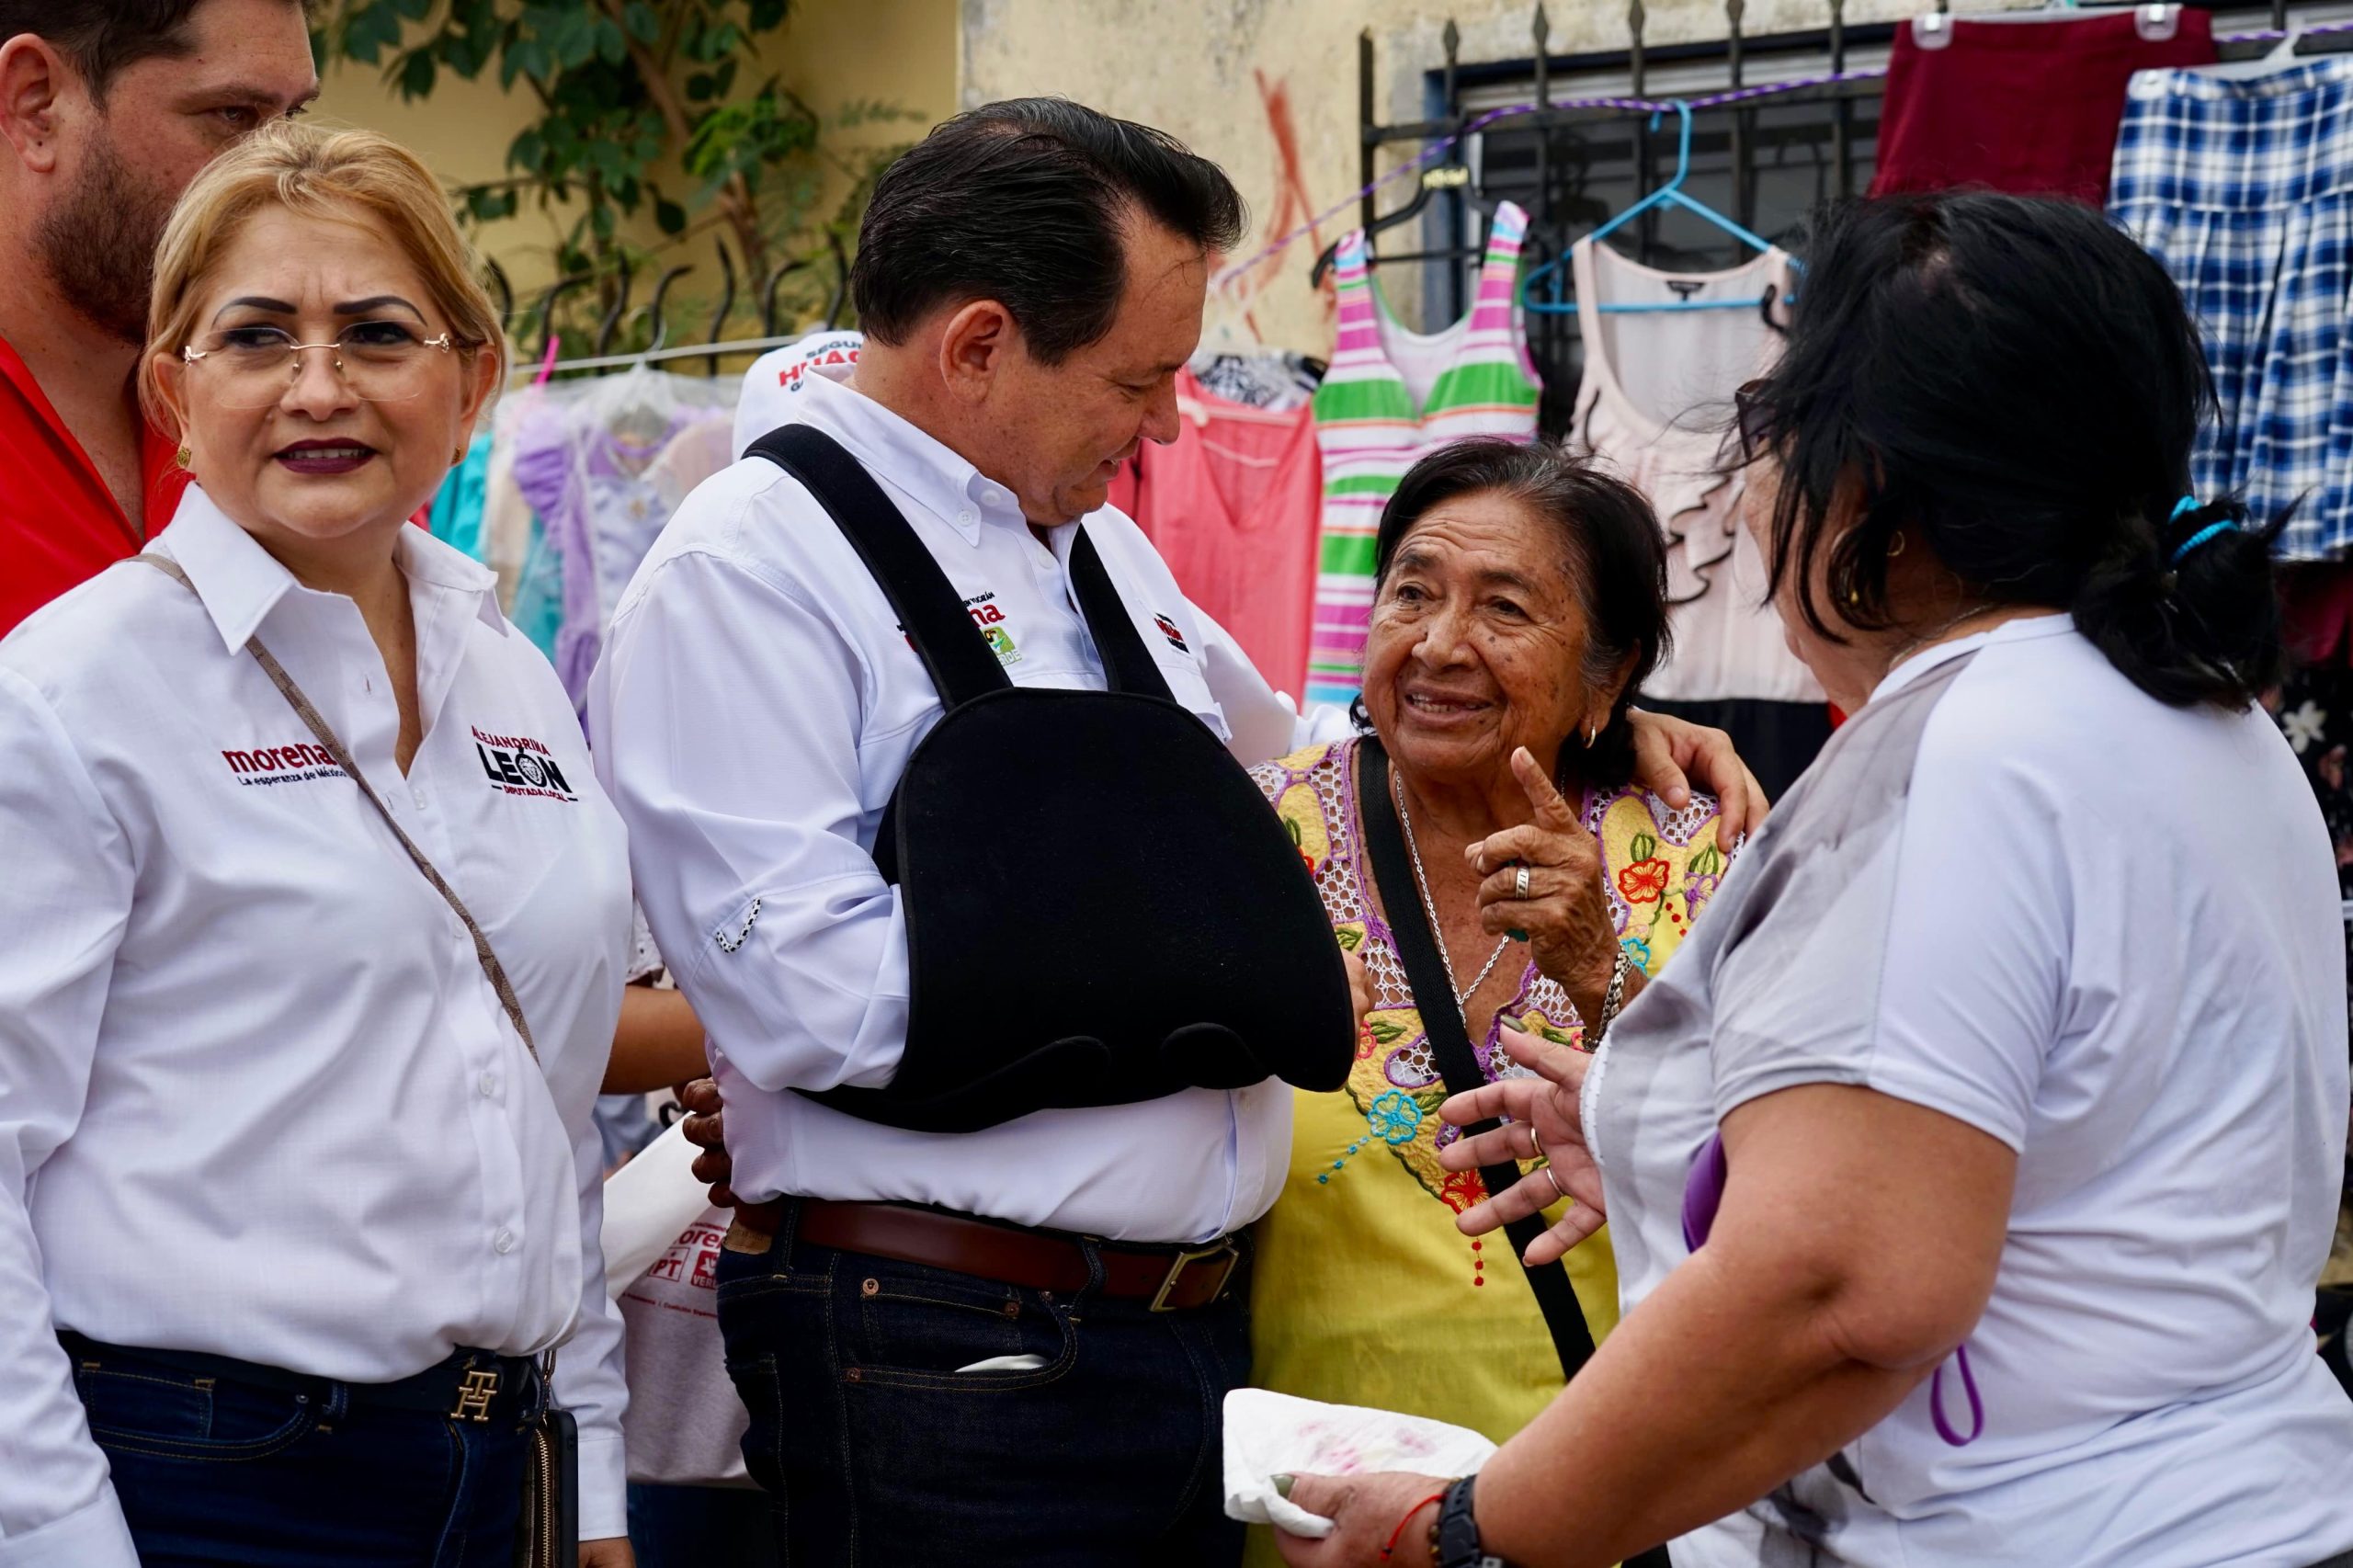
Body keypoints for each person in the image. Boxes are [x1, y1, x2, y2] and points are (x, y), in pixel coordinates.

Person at [593, 97, 1765, 1567]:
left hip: (1176, 1350)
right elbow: (814, 1002)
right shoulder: (749, 576)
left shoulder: (1089, 545)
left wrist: (1598, 724)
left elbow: (1312, 742)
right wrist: (1224, 991)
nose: (1162, 427)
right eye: (1137, 380)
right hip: (952, 1351)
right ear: (976, 346)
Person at [1274, 193, 2353, 1568]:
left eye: (1772, 443)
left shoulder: (1964, 753)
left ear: (1871, 494)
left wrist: (1473, 1526)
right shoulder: (2198, 717)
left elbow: (1848, 1285)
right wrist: (1660, 1145)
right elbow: (2061, 1167)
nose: (1756, 492)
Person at [0, 120, 635, 1568]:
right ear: (174, 387)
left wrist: (587, 1476)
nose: (320, 387)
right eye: (258, 337)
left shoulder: (515, 677)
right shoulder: (72, 691)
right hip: (208, 1485)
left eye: (378, 332)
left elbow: (544, 1111)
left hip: (502, 1468)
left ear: (472, 381)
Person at [1242, 439, 1723, 1568]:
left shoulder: (1705, 854)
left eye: (1504, 606)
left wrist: (1603, 971)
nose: (1438, 643)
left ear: (1608, 674)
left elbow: (1776, 1168)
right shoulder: (1258, 840)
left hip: (1606, 1501)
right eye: (1411, 591)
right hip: (1326, 1504)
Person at [0, 0, 317, 634]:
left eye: (294, 118)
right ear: (36, 103)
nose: (281, 183)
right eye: (234, 117)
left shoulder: (311, 397)